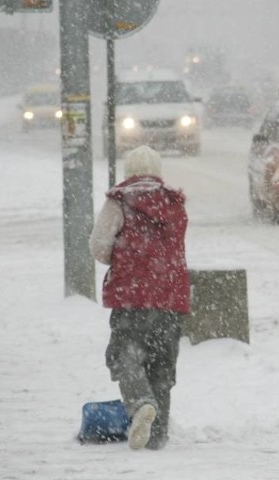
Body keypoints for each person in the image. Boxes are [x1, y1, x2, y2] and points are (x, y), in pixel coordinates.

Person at [89, 145, 191, 450]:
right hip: (171, 296)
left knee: (124, 356)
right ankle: (157, 435)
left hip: (131, 296)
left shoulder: (119, 201)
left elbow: (98, 245)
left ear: (127, 171)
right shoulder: (175, 202)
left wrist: (120, 260)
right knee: (162, 364)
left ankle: (141, 403)